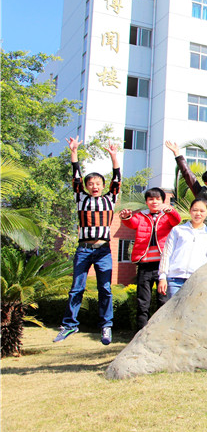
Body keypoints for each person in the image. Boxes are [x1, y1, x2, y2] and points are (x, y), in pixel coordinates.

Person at [54, 137, 121, 345]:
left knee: (105, 289)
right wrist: (73, 152)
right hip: (83, 249)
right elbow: (75, 176)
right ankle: (69, 325)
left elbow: (117, 179)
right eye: (90, 183)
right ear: (86, 186)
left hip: (103, 250)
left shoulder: (110, 198)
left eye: (98, 183)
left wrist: (113, 156)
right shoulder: (80, 198)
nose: (94, 186)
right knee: (76, 287)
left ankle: (106, 326)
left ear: (103, 186)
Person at [119, 188, 181, 331]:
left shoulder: (166, 216)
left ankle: (161, 332)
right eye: (151, 199)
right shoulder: (141, 216)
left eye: (158, 199)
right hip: (144, 264)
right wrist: (126, 217)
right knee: (143, 302)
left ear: (162, 201)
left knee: (163, 301)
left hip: (162, 266)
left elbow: (176, 220)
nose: (154, 202)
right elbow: (132, 223)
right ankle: (140, 333)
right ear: (146, 202)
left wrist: (170, 210)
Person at [157, 199, 207, 299]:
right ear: (190, 211)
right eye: (195, 210)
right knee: (174, 312)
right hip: (175, 280)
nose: (198, 213)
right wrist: (162, 277)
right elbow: (167, 254)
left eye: (202, 211)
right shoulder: (178, 230)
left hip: (197, 281)